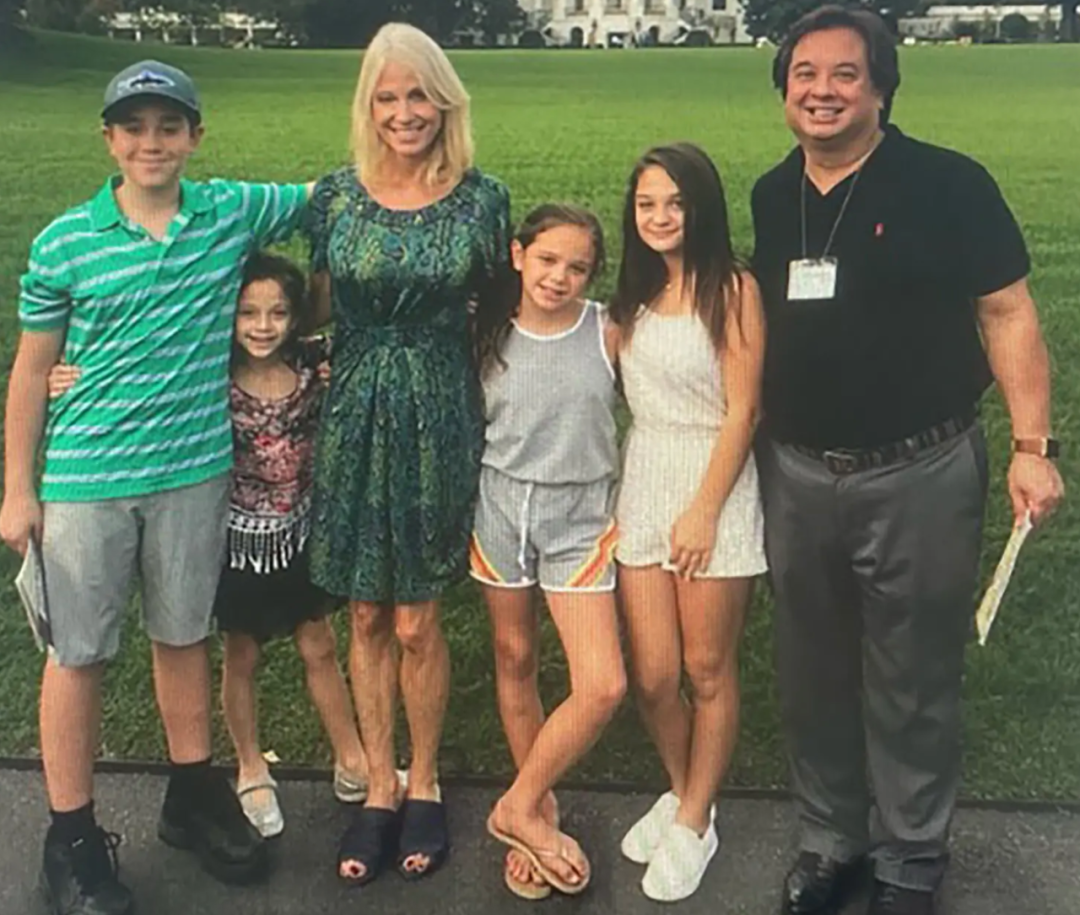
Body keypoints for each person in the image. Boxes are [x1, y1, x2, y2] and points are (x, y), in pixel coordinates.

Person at [750, 8, 1065, 915]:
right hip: (797, 472)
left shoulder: (947, 183)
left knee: (913, 673)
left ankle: (910, 854)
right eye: (804, 75)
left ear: (882, 89)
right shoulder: (774, 194)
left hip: (919, 468)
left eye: (844, 74)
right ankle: (831, 841)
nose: (822, 91)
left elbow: (1008, 312)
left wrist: (1033, 446)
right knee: (812, 670)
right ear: (784, 91)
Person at [0, 61, 312, 915]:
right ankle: (70, 837)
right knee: (78, 654)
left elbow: (329, 197)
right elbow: (31, 370)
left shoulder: (228, 212)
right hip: (88, 479)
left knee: (182, 635)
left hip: (193, 472)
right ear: (109, 139)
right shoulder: (66, 241)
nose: (152, 142)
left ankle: (191, 793)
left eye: (169, 126)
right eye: (134, 127)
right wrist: (17, 487)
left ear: (195, 136)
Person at [46, 251, 374, 839]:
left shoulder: (312, 361)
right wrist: (67, 376)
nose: (263, 326)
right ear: (228, 314)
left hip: (300, 533)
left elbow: (370, 347)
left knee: (319, 646)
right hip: (236, 542)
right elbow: (139, 365)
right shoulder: (208, 373)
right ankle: (250, 768)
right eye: (248, 312)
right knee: (241, 655)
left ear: (297, 316)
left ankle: (352, 758)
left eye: (278, 312)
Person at [302, 22, 511, 886]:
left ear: (445, 98)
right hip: (353, 412)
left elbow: (507, 307)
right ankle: (380, 786)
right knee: (364, 613)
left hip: (437, 413)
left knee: (419, 616)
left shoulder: (482, 200)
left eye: (418, 93)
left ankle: (425, 777)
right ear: (368, 104)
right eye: (386, 97)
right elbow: (303, 304)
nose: (403, 112)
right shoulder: (333, 197)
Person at [610, 142, 767, 903]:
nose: (660, 216)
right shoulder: (632, 296)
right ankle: (682, 793)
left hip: (714, 483)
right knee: (652, 675)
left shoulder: (732, 288)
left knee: (707, 669)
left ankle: (698, 817)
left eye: (674, 202)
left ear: (700, 207)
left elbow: (745, 410)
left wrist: (704, 510)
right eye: (646, 204)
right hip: (645, 479)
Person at [472, 204, 625, 899]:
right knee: (515, 657)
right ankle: (541, 814)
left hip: (579, 516)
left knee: (603, 683)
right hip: (501, 506)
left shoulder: (607, 330)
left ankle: (517, 804)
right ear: (517, 254)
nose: (559, 277)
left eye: (577, 267)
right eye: (547, 260)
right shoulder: (486, 329)